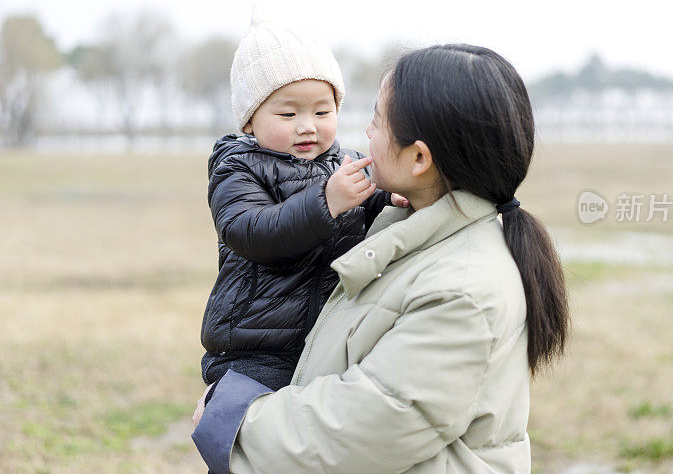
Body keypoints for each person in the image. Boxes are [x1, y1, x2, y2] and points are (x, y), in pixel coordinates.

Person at [193, 44, 569, 473]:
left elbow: (365, 429)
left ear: (420, 158)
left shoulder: (461, 290)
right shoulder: (407, 236)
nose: (365, 135)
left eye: (376, 120)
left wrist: (233, 420)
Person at [199, 12, 407, 392]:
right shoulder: (238, 169)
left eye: (322, 111)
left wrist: (388, 197)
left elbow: (367, 208)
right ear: (249, 121)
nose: (307, 125)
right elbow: (251, 232)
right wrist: (326, 202)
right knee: (255, 437)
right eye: (288, 113)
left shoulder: (343, 163)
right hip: (256, 348)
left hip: (327, 337)